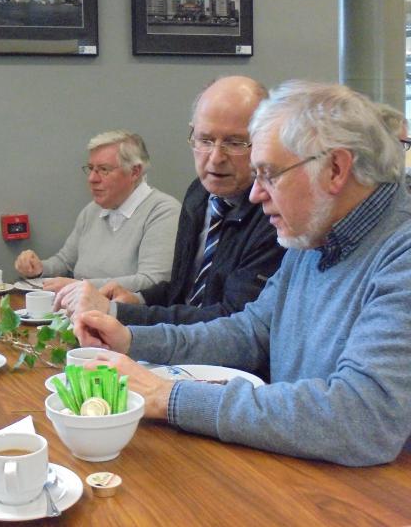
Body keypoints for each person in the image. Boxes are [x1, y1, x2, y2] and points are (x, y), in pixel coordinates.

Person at [74, 81, 411, 466]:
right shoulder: (316, 233)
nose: (255, 194)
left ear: (336, 168)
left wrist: (168, 396)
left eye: (269, 174)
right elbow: (250, 332)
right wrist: (133, 339)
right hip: (300, 474)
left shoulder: (400, 254)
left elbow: (364, 419)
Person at [55, 76, 285, 326]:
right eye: (205, 140)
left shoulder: (275, 214)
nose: (216, 157)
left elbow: (232, 322)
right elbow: (183, 291)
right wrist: (139, 299)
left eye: (234, 143)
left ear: (265, 140)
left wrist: (119, 313)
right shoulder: (199, 194)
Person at [14, 130, 180, 293]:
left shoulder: (163, 212)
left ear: (134, 172)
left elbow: (152, 282)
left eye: (104, 169)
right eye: (91, 168)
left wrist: (79, 287)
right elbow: (65, 262)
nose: (92, 178)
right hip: (80, 309)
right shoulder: (92, 210)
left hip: (125, 316)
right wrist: (38, 268)